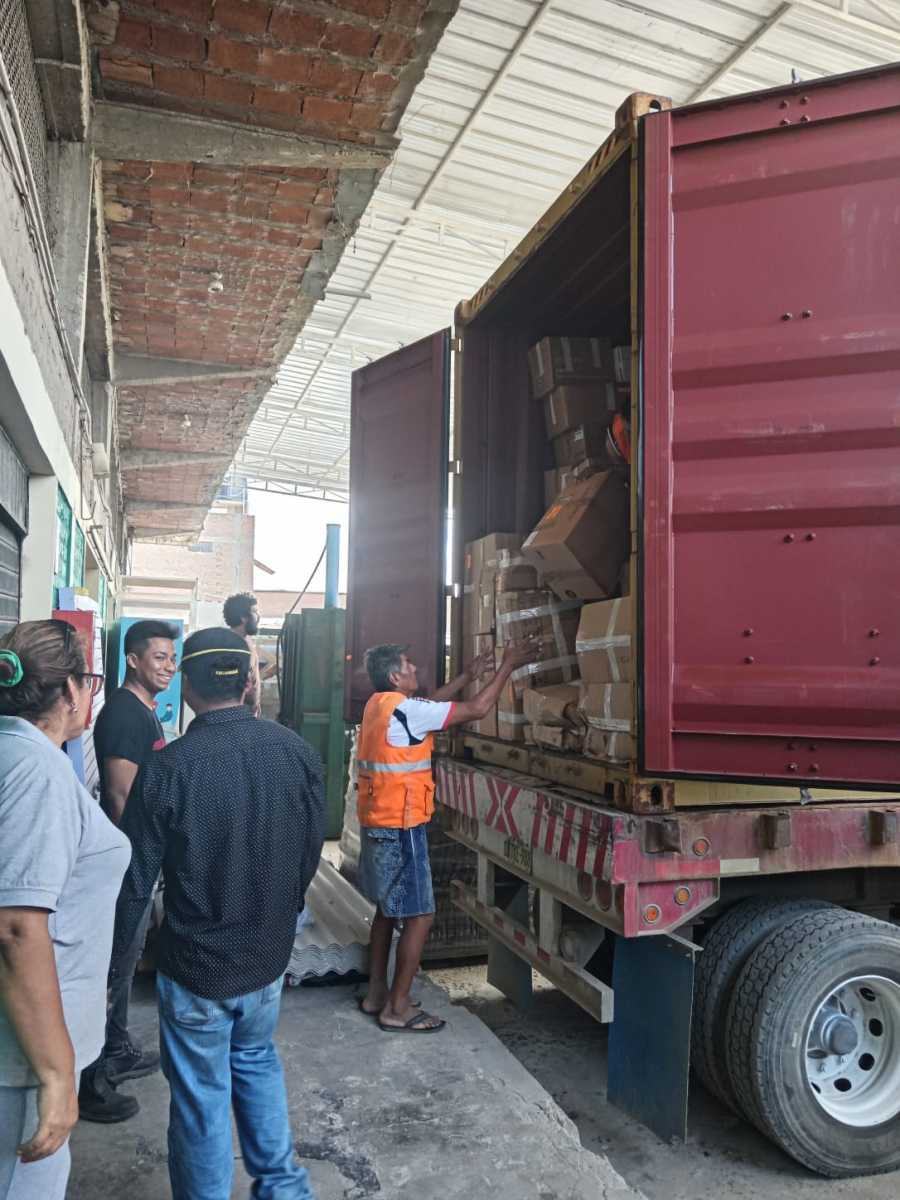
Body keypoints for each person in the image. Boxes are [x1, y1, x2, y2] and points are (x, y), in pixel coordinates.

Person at [111, 627, 325, 1200]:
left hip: (197, 969)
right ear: (250, 683)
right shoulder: (296, 752)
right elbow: (309, 852)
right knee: (255, 1059)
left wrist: (113, 965)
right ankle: (284, 1189)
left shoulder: (169, 768)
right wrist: (284, 910)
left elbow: (135, 881)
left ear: (187, 686)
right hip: (267, 959)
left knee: (202, 1101)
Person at [0, 621, 130, 1200]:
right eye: (90, 681)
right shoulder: (37, 771)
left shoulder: (13, 753)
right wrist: (55, 1074)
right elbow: (15, 927)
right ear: (73, 691)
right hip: (25, 1057)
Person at [357, 639, 536, 1033]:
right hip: (402, 826)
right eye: (408, 664)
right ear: (395, 677)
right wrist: (507, 665)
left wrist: (467, 676)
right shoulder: (407, 710)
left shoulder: (380, 705)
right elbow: (478, 709)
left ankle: (376, 994)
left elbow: (430, 706)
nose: (415, 668)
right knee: (421, 915)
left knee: (387, 910)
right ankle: (397, 1008)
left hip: (378, 821)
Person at [78, 619, 178, 1124]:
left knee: (126, 957)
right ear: (133, 660)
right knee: (114, 966)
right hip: (128, 861)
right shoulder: (123, 713)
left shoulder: (143, 710)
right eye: (159, 657)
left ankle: (115, 1046)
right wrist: (139, 859)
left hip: (139, 858)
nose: (168, 667)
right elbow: (120, 797)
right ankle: (92, 1076)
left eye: (172, 658)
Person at [223, 591, 263, 715]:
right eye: (255, 611)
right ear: (243, 617)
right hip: (235, 715)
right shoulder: (229, 645)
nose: (258, 616)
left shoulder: (248, 641)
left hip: (248, 714)